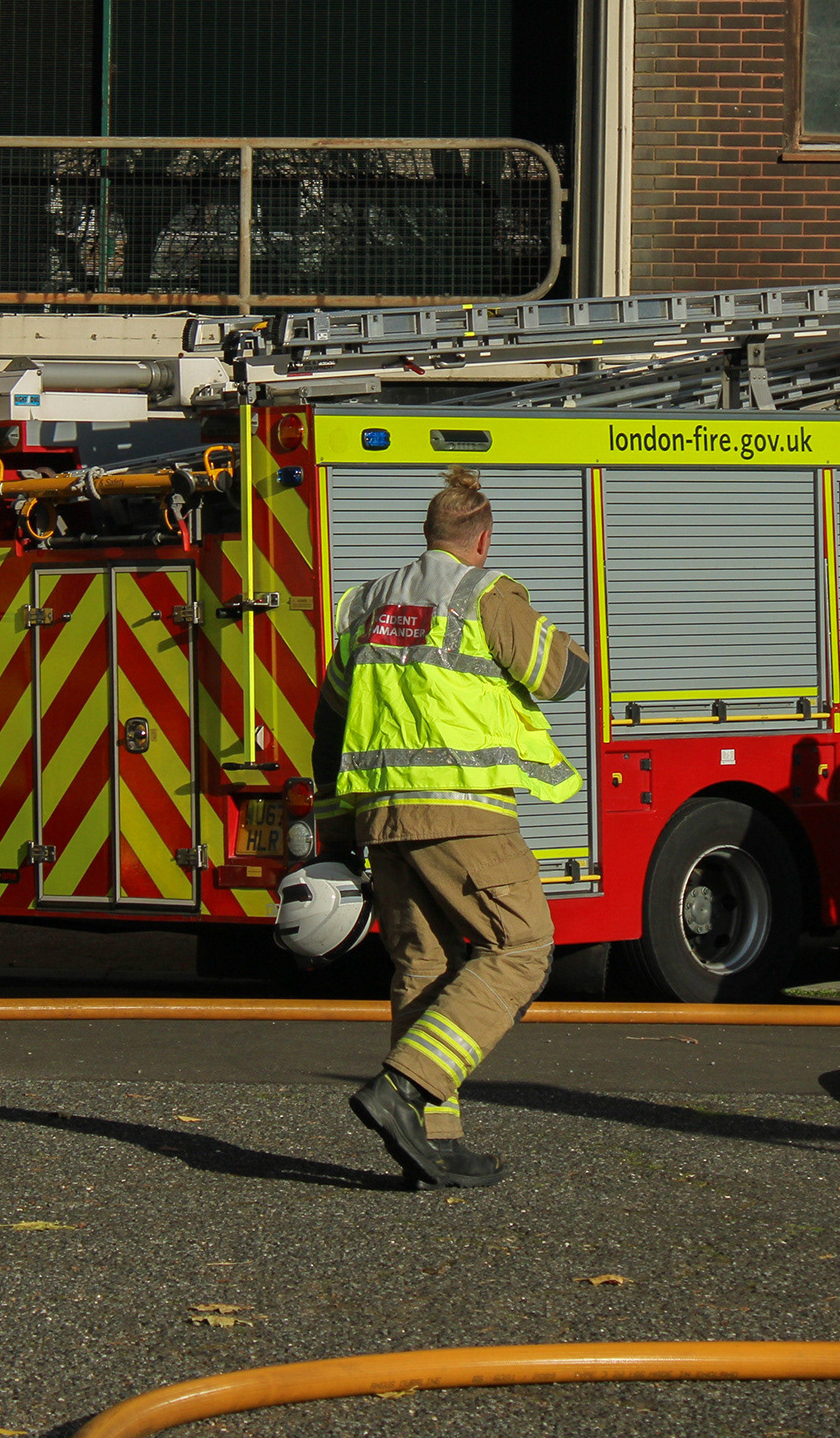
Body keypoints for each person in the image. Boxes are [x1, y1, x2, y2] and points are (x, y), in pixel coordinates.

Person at [316, 468, 591, 1187]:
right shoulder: (485, 595)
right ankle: (403, 1087)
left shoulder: (368, 604)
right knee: (521, 947)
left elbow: (330, 721)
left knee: (425, 966)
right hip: (463, 810)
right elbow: (563, 676)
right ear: (483, 539)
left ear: (428, 533)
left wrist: (334, 826)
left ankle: (430, 1142)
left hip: (382, 816)